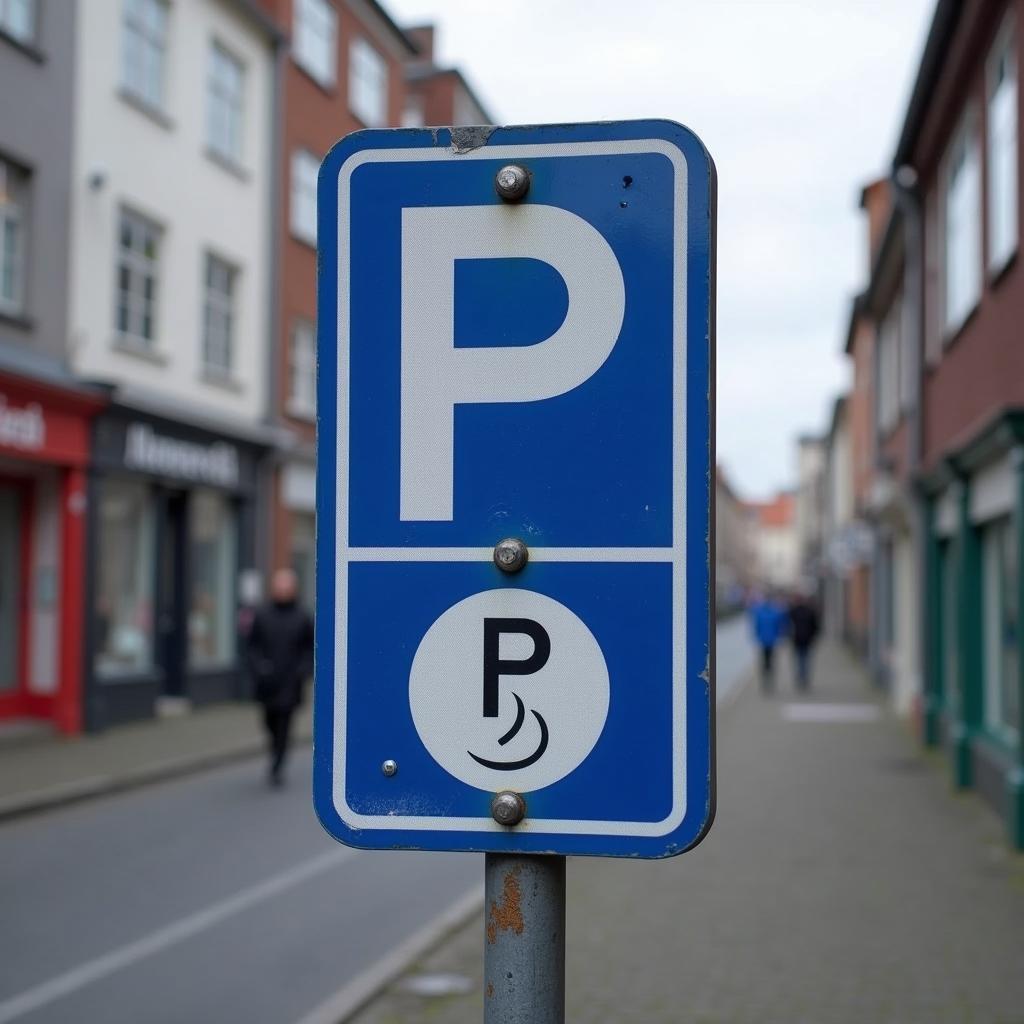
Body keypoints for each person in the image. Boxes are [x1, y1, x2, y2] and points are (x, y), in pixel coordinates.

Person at [246, 568, 314, 787]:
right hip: (267, 682)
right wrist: (259, 668)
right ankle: (275, 750)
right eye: (279, 587)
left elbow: (310, 648)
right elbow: (252, 646)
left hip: (290, 683)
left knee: (285, 723)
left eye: (287, 588)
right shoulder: (262, 615)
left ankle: (278, 762)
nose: (283, 591)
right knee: (268, 721)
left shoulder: (302, 616)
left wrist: (302, 671)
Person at [749, 591, 788, 693]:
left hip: (763, 641)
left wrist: (756, 636)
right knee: (771, 661)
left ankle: (765, 682)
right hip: (772, 641)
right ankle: (770, 681)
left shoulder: (759, 612)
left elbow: (756, 627)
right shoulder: (775, 612)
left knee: (764, 662)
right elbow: (780, 627)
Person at [788, 593, 820, 692]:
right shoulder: (810, 611)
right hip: (807, 640)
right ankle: (804, 677)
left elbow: (788, 625)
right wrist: (813, 637)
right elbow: (816, 627)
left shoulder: (793, 611)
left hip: (797, 639)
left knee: (799, 659)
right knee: (806, 659)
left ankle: (801, 677)